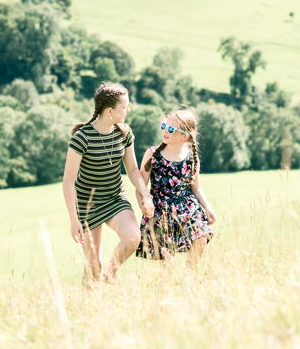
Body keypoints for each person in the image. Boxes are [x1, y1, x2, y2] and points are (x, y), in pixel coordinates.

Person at [63, 82, 154, 285]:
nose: (128, 110)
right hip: (88, 205)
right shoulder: (82, 137)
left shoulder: (124, 133)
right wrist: (74, 219)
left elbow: (131, 170)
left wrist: (145, 194)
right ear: (110, 111)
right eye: (125, 106)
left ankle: (110, 274)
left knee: (133, 238)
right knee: (93, 266)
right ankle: (88, 306)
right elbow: (68, 181)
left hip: (115, 199)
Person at [135, 107, 216, 269]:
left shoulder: (191, 157)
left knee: (201, 235)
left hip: (187, 207)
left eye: (171, 129)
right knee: (167, 263)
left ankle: (190, 275)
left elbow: (196, 187)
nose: (165, 131)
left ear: (184, 136)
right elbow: (140, 186)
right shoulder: (153, 154)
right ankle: (169, 289)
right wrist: (144, 205)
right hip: (160, 211)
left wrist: (207, 207)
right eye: (163, 126)